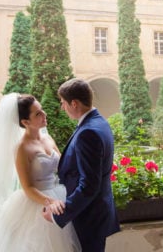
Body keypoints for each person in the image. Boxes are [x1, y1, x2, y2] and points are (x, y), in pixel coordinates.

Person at [0, 93, 80, 252]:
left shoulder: (48, 138)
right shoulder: (22, 148)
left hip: (58, 193)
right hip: (37, 202)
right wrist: (50, 202)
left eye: (42, 110)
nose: (44, 114)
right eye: (38, 113)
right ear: (25, 122)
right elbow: (27, 187)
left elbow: (62, 168)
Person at [43, 78, 120, 251]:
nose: (62, 107)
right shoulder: (99, 122)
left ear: (74, 103)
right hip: (95, 213)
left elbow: (89, 185)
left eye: (63, 103)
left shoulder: (88, 132)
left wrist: (58, 216)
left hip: (89, 216)